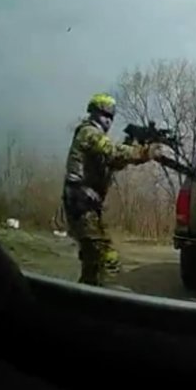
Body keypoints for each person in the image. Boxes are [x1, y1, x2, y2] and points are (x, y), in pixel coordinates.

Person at [62, 93, 160, 287]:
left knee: (92, 264)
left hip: (88, 205)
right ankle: (101, 296)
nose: (108, 120)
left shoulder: (96, 137)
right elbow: (112, 152)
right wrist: (144, 152)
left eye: (110, 117)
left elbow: (115, 162)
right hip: (80, 203)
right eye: (104, 115)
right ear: (93, 113)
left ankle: (85, 295)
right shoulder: (89, 133)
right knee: (106, 258)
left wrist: (134, 146)